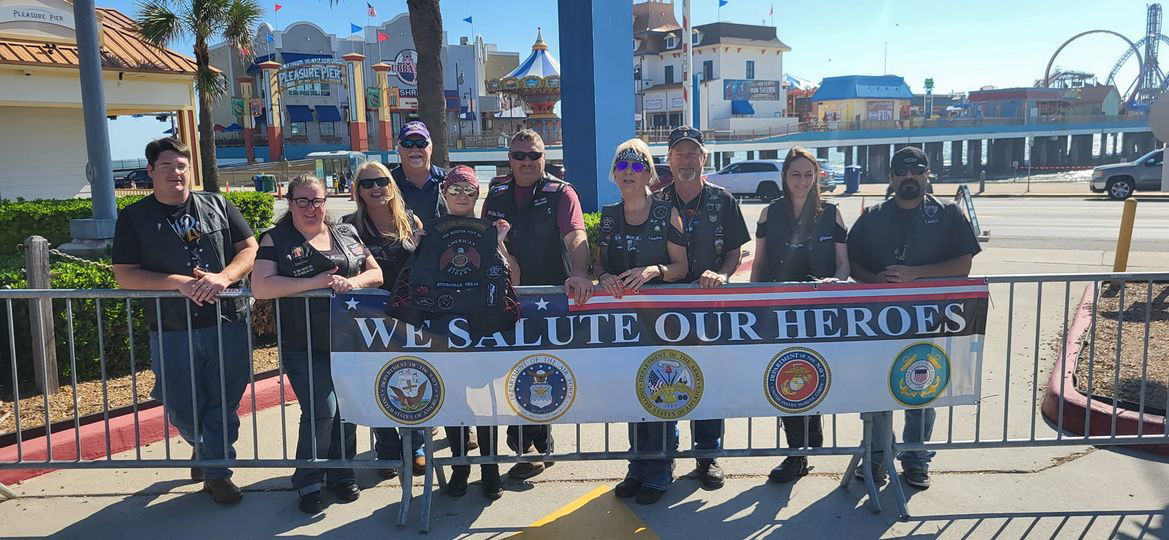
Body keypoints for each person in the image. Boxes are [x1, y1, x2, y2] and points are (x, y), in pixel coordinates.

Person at [112, 137, 258, 505]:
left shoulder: (219, 205)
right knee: (179, 404)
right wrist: (176, 283)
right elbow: (125, 274)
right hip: (172, 327)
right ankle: (204, 447)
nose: (176, 173)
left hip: (226, 322)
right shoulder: (134, 218)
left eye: (181, 166)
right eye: (166, 167)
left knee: (223, 402)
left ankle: (218, 472)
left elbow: (250, 249)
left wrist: (225, 277)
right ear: (150, 171)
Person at [847, 146, 982, 490]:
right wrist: (873, 280)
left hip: (930, 322)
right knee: (876, 391)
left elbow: (963, 265)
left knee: (921, 391)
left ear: (926, 174)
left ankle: (915, 458)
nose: (908, 177)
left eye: (915, 171)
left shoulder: (949, 215)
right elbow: (853, 265)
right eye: (901, 172)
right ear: (891, 177)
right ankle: (877, 456)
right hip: (878, 323)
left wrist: (915, 274)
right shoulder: (872, 216)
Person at [251, 175, 384, 514]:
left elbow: (376, 273)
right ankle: (308, 478)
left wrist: (351, 282)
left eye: (318, 201)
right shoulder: (276, 239)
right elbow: (262, 286)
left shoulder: (345, 233)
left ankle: (341, 473)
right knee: (322, 409)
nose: (312, 208)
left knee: (348, 409)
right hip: (303, 341)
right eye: (303, 201)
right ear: (290, 202)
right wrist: (314, 282)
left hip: (347, 341)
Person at [482, 129, 594, 481]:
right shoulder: (497, 192)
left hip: (548, 299)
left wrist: (579, 273)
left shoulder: (561, 192)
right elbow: (487, 237)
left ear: (545, 157)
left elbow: (576, 234)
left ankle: (529, 445)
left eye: (534, 155)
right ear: (509, 159)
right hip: (508, 297)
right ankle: (532, 446)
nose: (527, 162)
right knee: (510, 370)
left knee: (541, 369)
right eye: (519, 155)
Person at [655, 126, 750, 490]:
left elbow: (734, 251)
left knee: (708, 381)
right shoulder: (657, 202)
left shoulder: (723, 199)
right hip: (666, 310)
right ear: (669, 159)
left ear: (704, 158)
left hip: (710, 307)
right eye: (679, 153)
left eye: (693, 153)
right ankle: (665, 455)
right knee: (667, 377)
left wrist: (723, 274)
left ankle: (708, 456)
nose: (686, 159)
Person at [749, 147, 850, 485]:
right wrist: (755, 304)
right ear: (785, 177)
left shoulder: (832, 213)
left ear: (816, 176)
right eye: (796, 174)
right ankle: (797, 451)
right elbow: (759, 264)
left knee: (813, 374)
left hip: (818, 312)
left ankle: (810, 443)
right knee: (785, 376)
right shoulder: (768, 214)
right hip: (779, 309)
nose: (802, 181)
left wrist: (837, 282)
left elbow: (843, 263)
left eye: (809, 174)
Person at [596, 139, 689, 505]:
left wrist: (655, 270)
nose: (630, 172)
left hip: (663, 320)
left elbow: (682, 267)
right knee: (634, 392)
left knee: (662, 391)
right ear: (614, 174)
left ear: (649, 173)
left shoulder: (667, 213)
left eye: (638, 166)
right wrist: (602, 277)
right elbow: (600, 264)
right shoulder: (606, 215)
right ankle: (637, 466)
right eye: (623, 166)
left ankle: (660, 469)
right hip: (624, 323)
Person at [422, 165, 519, 500]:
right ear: (444, 194)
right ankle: (461, 465)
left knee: (486, 402)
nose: (462, 196)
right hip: (444, 326)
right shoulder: (430, 230)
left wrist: (501, 245)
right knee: (454, 401)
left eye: (468, 190)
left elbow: (514, 279)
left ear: (477, 195)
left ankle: (490, 468)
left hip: (483, 326)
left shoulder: (492, 229)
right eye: (455, 190)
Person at [342, 161, 427, 480]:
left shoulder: (410, 221)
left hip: (409, 319)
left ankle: (416, 446)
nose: (375, 187)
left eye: (381, 181)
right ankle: (388, 449)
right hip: (369, 320)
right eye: (367, 183)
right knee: (377, 384)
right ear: (358, 191)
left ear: (392, 185)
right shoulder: (348, 226)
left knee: (412, 380)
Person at [391, 121, 447, 225]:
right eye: (407, 144)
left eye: (421, 143)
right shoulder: (387, 183)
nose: (415, 149)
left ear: (430, 148)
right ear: (399, 149)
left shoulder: (447, 181)